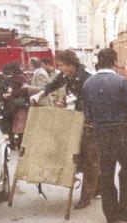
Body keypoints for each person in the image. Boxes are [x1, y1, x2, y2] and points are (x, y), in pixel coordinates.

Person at [30, 50, 100, 209]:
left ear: (70, 64)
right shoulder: (66, 75)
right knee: (87, 157)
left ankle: (86, 197)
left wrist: (70, 103)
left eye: (61, 65)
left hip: (90, 122)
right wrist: (40, 94)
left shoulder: (86, 77)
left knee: (88, 157)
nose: (59, 68)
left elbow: (89, 100)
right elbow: (53, 84)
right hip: (77, 119)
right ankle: (96, 187)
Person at [82, 48, 127, 223]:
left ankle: (111, 217)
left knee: (106, 174)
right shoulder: (122, 82)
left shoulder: (88, 84)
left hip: (101, 133)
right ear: (114, 62)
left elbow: (87, 113)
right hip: (123, 132)